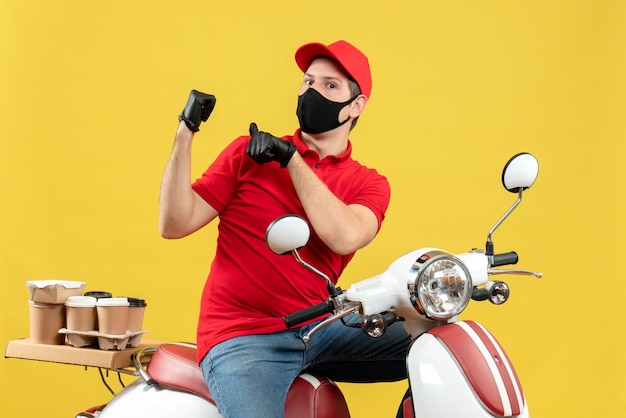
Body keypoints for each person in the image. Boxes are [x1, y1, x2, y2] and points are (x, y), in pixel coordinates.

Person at [159, 40, 411, 418]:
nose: (312, 91)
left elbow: (344, 236)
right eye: (308, 82)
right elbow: (174, 224)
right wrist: (186, 130)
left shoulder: (368, 183)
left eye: (329, 86)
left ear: (355, 106)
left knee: (440, 346)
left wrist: (291, 160)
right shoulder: (248, 154)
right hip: (244, 336)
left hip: (323, 328)